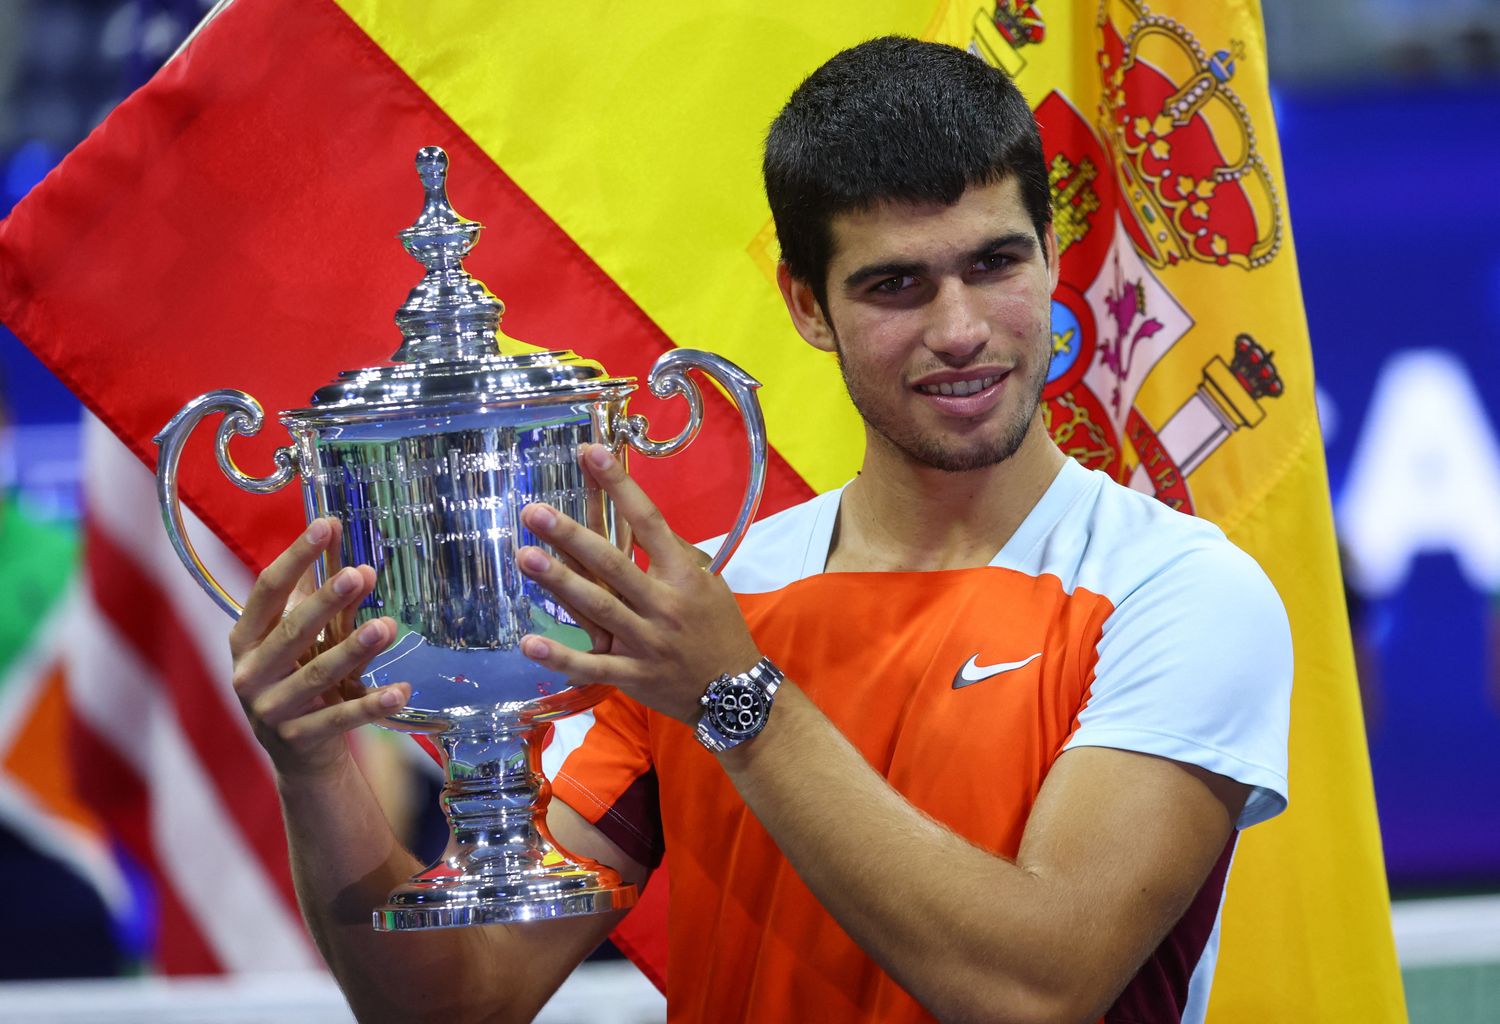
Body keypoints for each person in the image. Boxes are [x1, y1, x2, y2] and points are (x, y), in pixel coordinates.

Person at [229, 37, 1291, 1024]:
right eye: (895, 285)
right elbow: (457, 1005)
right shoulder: (708, 613)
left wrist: (737, 702)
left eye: (994, 264)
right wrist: (314, 771)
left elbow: (1038, 985)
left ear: (1053, 254)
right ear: (805, 305)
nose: (961, 328)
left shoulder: (1182, 592)